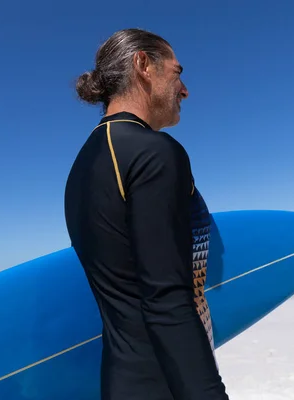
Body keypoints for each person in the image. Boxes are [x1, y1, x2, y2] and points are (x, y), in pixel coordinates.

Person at [64, 28, 229, 400]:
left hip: (122, 381)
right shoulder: (154, 153)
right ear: (143, 65)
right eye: (176, 73)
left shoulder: (83, 165)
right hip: (166, 383)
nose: (185, 90)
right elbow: (166, 298)